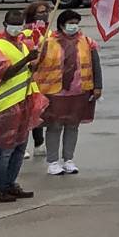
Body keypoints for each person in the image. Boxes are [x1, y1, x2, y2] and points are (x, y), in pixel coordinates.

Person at [0, 10, 43, 203]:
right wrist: (26, 60)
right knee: (5, 149)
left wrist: (33, 64)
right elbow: (4, 74)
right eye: (13, 24)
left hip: (24, 101)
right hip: (7, 104)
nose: (17, 28)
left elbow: (26, 71)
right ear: (5, 24)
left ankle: (9, 184)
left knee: (19, 147)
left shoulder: (22, 46)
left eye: (20, 24)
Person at [36, 9, 101, 176]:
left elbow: (95, 65)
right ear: (61, 24)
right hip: (54, 92)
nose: (74, 26)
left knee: (73, 126)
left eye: (76, 23)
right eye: (70, 23)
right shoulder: (47, 42)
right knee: (54, 126)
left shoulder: (87, 42)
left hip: (79, 90)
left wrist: (97, 86)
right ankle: (52, 161)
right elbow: (35, 64)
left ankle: (68, 159)